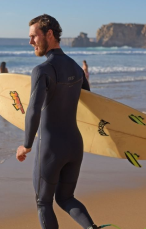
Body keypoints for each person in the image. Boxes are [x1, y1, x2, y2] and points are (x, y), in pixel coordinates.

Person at [15, 14, 98, 229]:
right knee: (66, 198)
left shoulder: (42, 70)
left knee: (43, 202)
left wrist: (27, 145)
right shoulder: (76, 69)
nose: (30, 42)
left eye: (34, 36)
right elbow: (89, 104)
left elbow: (33, 110)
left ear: (49, 34)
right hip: (74, 146)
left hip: (50, 148)